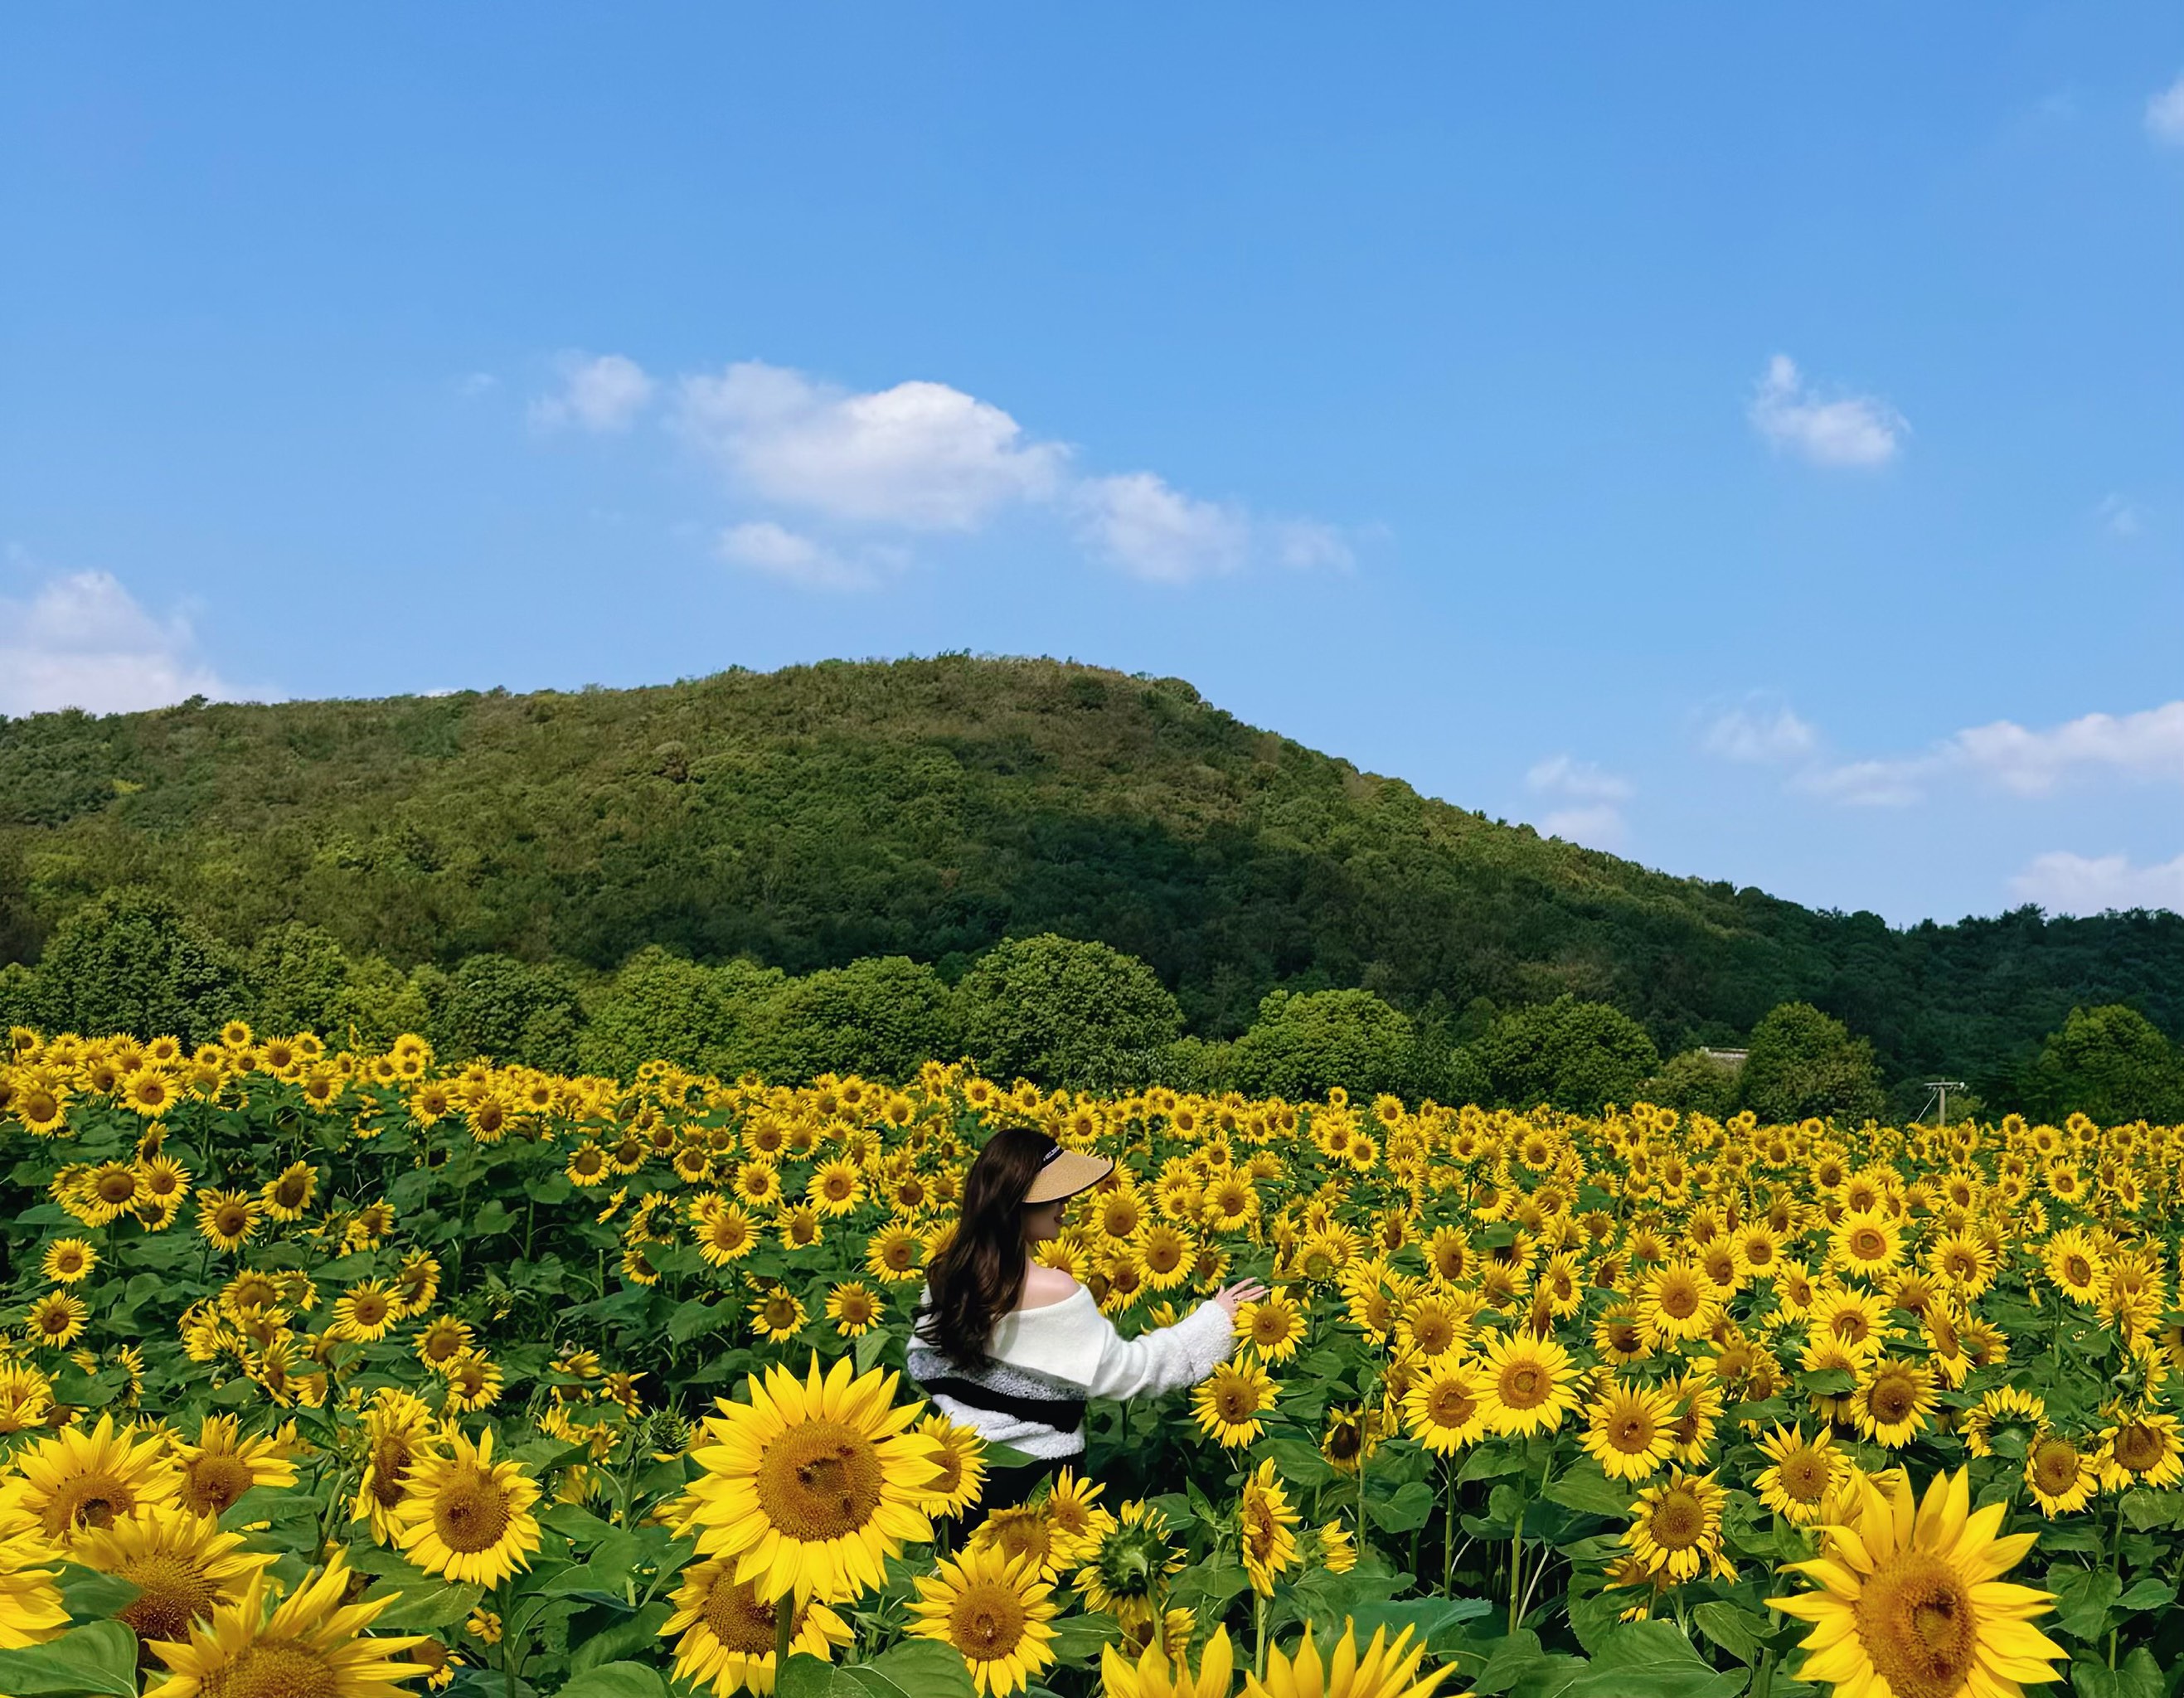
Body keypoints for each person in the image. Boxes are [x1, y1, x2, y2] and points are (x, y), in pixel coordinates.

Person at [909, 1124, 1268, 1512]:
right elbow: (1131, 1372)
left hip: (961, 1481)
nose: (1065, 1205)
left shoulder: (945, 1280)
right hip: (1041, 1480)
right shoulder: (1055, 1292)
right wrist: (1214, 1320)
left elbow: (925, 1370)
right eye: (1053, 1196)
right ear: (1018, 1202)